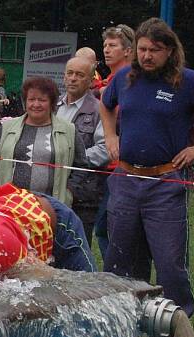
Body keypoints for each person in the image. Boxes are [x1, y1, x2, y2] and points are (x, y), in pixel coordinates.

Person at [100, 18, 194, 317]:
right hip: (125, 180)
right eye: (143, 49)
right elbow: (105, 105)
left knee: (169, 261)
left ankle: (176, 325)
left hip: (166, 183)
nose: (147, 56)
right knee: (119, 259)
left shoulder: (189, 81)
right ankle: (123, 319)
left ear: (170, 51)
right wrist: (110, 135)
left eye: (155, 50)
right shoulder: (124, 78)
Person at [0, 77, 87, 207]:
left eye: (42, 100)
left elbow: (81, 165)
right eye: (31, 99)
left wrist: (68, 192)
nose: (36, 104)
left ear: (52, 103)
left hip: (52, 207)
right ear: (25, 101)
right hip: (10, 205)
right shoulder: (7, 128)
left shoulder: (69, 130)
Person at [56, 56, 108, 246]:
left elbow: (105, 149)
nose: (73, 78)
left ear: (90, 81)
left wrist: (73, 160)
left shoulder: (99, 110)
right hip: (51, 189)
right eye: (70, 73)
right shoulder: (52, 107)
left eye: (79, 75)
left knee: (76, 250)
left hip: (83, 195)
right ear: (63, 77)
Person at [93, 24, 135, 260]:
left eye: (113, 46)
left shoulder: (133, 81)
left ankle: (120, 275)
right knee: (102, 226)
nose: (107, 50)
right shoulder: (107, 82)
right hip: (103, 165)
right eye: (105, 46)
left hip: (124, 166)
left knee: (109, 227)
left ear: (129, 50)